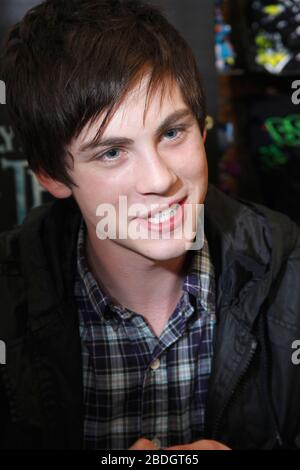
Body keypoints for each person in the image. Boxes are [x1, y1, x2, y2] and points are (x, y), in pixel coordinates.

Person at [0, 0, 299, 451]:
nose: (160, 179)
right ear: (52, 176)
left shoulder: (291, 269)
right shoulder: (9, 295)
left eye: (172, 133)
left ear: (201, 131)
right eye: (111, 153)